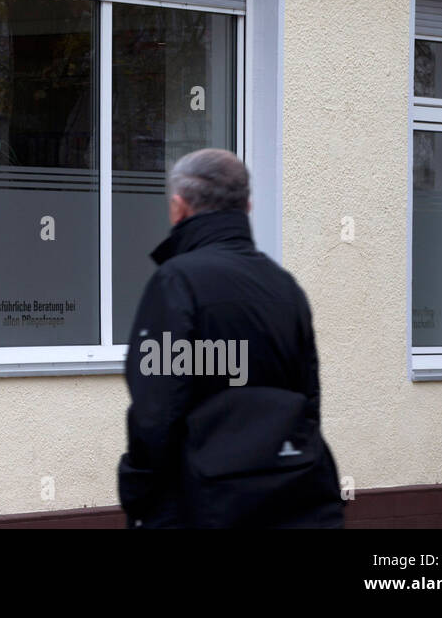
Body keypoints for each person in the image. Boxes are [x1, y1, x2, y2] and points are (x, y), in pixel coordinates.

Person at [117, 148, 344, 528]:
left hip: (197, 504)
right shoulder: (284, 286)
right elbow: (309, 400)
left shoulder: (176, 283)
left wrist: (139, 493)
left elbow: (156, 411)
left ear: (178, 208)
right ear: (248, 206)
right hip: (288, 500)